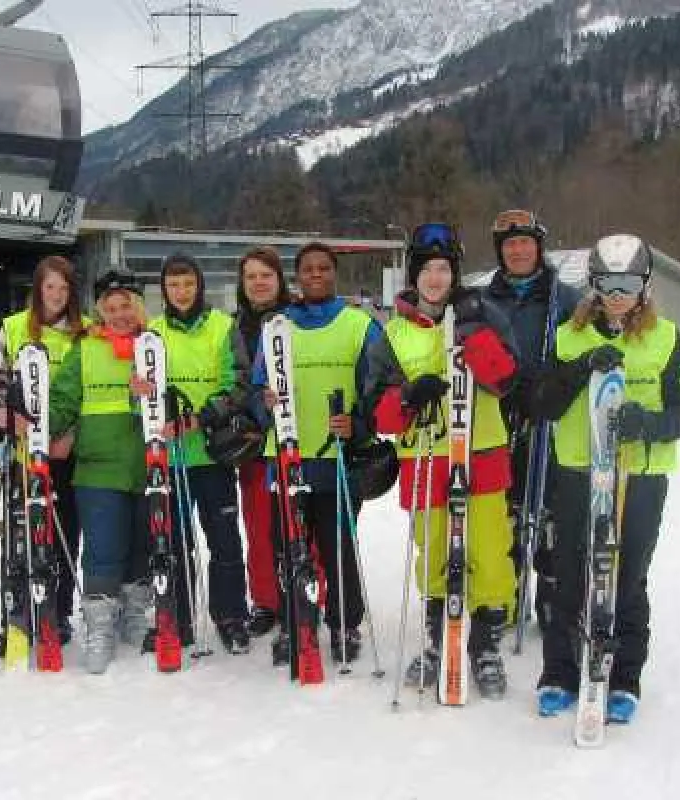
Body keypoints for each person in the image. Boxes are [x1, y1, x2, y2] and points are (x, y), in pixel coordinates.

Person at [529, 233, 680, 723]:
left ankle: (625, 677)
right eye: (608, 284)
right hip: (578, 472)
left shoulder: (665, 338)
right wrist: (580, 369)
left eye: (628, 284)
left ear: (644, 284)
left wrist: (646, 423)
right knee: (569, 574)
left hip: (639, 478)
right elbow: (542, 404)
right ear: (593, 284)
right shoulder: (568, 335)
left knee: (627, 578)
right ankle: (560, 673)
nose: (618, 295)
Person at [364, 223, 520, 697]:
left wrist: (473, 333)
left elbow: (506, 380)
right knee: (433, 552)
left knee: (489, 553)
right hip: (426, 457)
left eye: (444, 269)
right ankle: (436, 640)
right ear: (414, 275)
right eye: (427, 269)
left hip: (482, 453)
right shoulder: (393, 333)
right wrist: (408, 396)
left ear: (455, 273)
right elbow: (378, 414)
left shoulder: (485, 314)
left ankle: (485, 644)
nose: (435, 278)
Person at [250, 242, 384, 665]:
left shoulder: (359, 325)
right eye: (308, 269)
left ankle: (344, 624)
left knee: (336, 544)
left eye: (323, 268)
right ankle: (295, 622)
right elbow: (255, 387)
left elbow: (377, 389)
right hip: (286, 454)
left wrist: (358, 425)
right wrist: (264, 402)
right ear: (297, 276)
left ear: (334, 272)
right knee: (287, 546)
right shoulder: (277, 326)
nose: (316, 275)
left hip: (335, 456)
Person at [0, 255, 89, 650]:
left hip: (64, 452)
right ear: (38, 288)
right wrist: (0, 413)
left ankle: (57, 614)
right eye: (50, 286)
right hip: (24, 452)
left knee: (64, 534)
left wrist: (72, 435)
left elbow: (92, 390)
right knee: (20, 537)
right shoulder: (13, 327)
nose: (56, 295)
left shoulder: (84, 331)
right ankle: (15, 618)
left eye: (64, 288)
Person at [147, 252, 252, 654]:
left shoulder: (222, 325)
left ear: (199, 285)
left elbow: (238, 382)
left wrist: (202, 417)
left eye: (188, 283)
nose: (181, 292)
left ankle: (230, 616)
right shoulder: (153, 331)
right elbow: (140, 389)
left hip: (211, 453)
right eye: (173, 285)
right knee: (174, 544)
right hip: (170, 457)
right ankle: (179, 617)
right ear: (164, 289)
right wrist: (140, 393)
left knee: (223, 539)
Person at [49, 269, 152, 674]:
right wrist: (41, 427)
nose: (120, 315)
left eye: (126, 306)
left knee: (141, 545)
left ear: (138, 308)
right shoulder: (86, 349)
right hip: (97, 466)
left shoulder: (153, 345)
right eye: (111, 309)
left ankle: (134, 616)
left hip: (145, 463)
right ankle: (100, 627)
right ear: (100, 313)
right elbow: (63, 398)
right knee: (103, 549)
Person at [483, 209, 583, 629]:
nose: (518, 251)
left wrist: (556, 382)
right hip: (502, 412)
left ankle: (552, 596)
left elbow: (584, 348)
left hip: (550, 415)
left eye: (525, 242)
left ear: (538, 247)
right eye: (509, 244)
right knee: (506, 507)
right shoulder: (485, 300)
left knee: (551, 508)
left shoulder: (566, 299)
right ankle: (508, 590)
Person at [226, 247, 291, 636]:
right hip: (253, 442)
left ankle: (306, 591)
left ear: (279, 279)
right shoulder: (234, 326)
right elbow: (231, 379)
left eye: (266, 275)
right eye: (251, 276)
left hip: (295, 436)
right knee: (259, 524)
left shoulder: (296, 318)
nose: (259, 282)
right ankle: (266, 600)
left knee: (299, 520)